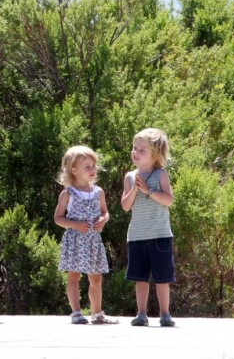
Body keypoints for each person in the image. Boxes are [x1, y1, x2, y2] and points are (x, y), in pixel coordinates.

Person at [54, 145, 118, 325]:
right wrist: (74, 224)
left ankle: (97, 313)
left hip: (92, 240)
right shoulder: (68, 193)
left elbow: (105, 212)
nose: (92, 170)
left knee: (96, 277)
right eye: (87, 166)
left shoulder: (98, 192)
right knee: (73, 275)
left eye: (93, 165)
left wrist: (103, 220)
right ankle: (76, 312)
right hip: (75, 240)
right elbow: (58, 218)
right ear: (74, 170)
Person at [120, 128, 175, 327]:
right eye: (135, 148)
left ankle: (165, 314)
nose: (136, 152)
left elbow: (168, 200)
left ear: (155, 154)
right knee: (140, 279)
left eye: (142, 149)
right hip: (136, 236)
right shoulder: (129, 177)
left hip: (160, 235)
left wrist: (148, 190)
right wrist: (136, 187)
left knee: (162, 278)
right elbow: (125, 206)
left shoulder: (160, 174)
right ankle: (141, 314)